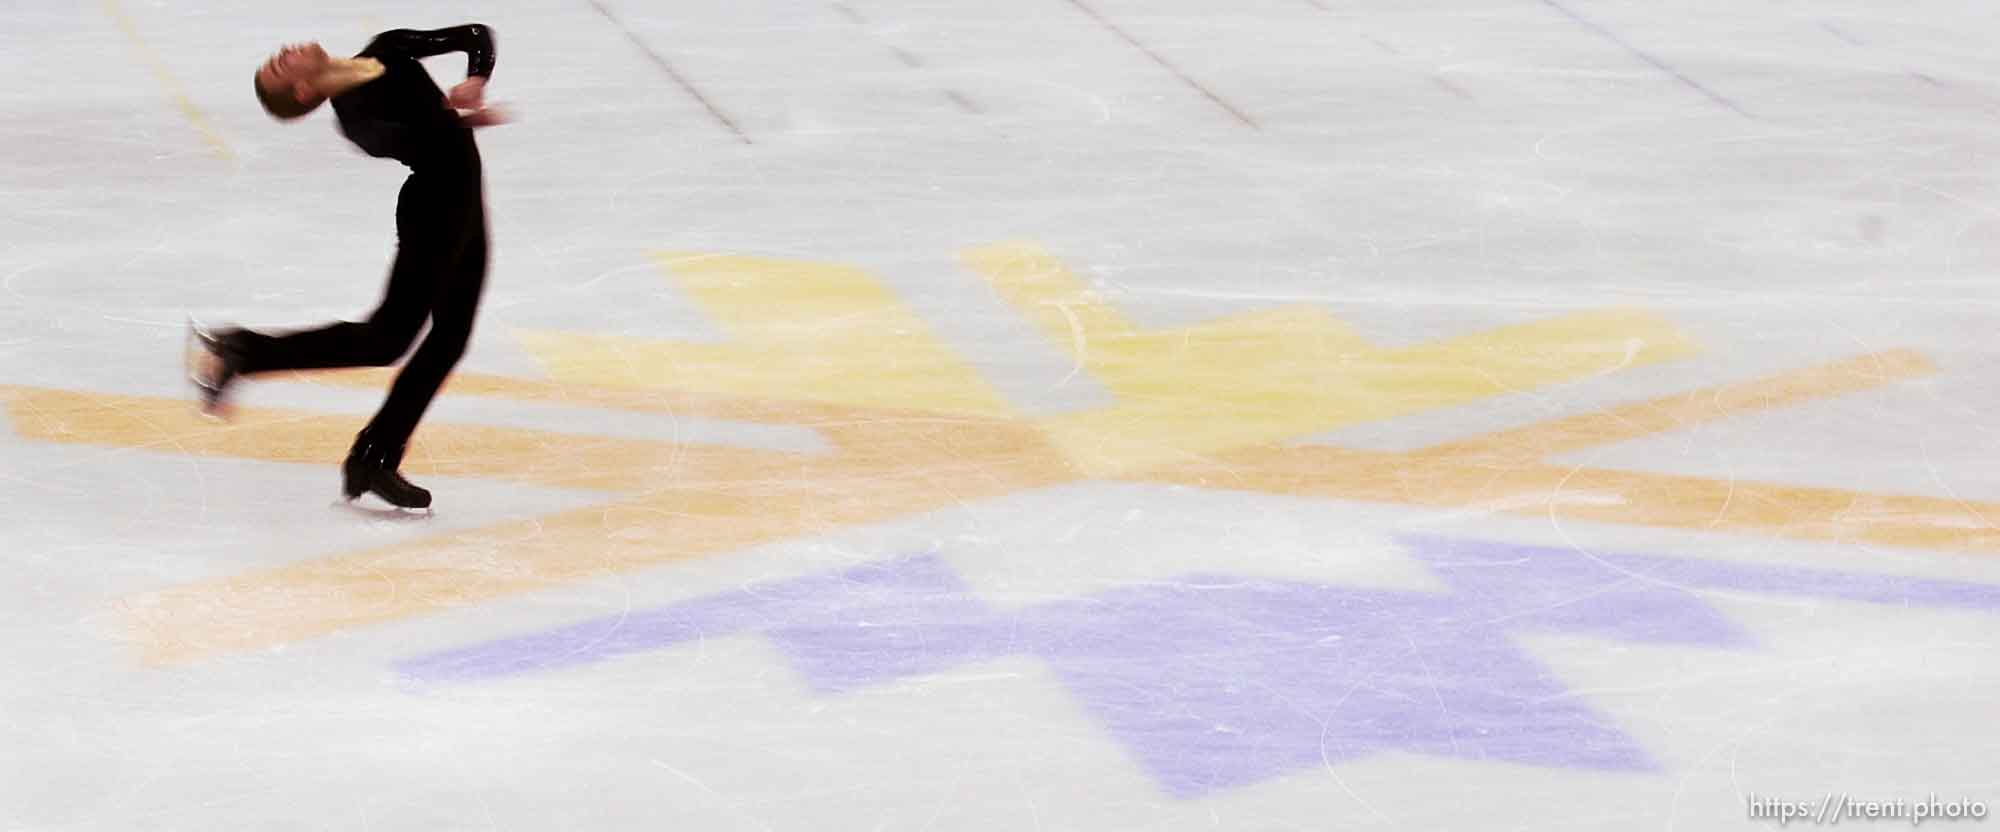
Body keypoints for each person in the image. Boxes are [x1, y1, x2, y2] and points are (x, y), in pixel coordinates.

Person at [191, 25, 509, 510]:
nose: (283, 51)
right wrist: (463, 120)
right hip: (435, 209)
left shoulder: (386, 48)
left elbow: (474, 35)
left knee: (447, 339)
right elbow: (422, 140)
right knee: (387, 339)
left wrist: (476, 80)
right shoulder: (359, 117)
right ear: (303, 90)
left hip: (460, 200)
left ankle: (373, 458)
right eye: (281, 66)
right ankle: (246, 351)